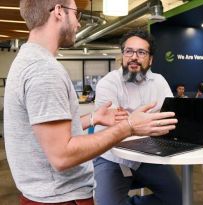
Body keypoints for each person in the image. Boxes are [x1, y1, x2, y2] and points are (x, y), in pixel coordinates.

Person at [4, 1, 177, 204]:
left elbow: (51, 132)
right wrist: (130, 126)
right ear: (59, 12)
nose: (78, 24)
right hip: (61, 196)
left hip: (51, 192)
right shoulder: (44, 71)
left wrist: (94, 117)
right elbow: (62, 156)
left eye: (141, 53)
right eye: (76, 14)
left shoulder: (29, 59)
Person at [93, 29, 182, 205]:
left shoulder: (159, 81)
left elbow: (169, 118)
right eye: (129, 51)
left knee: (177, 198)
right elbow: (113, 129)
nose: (134, 57)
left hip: (146, 156)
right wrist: (141, 124)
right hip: (112, 157)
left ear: (150, 59)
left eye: (141, 52)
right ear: (122, 55)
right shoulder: (108, 84)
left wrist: (131, 121)